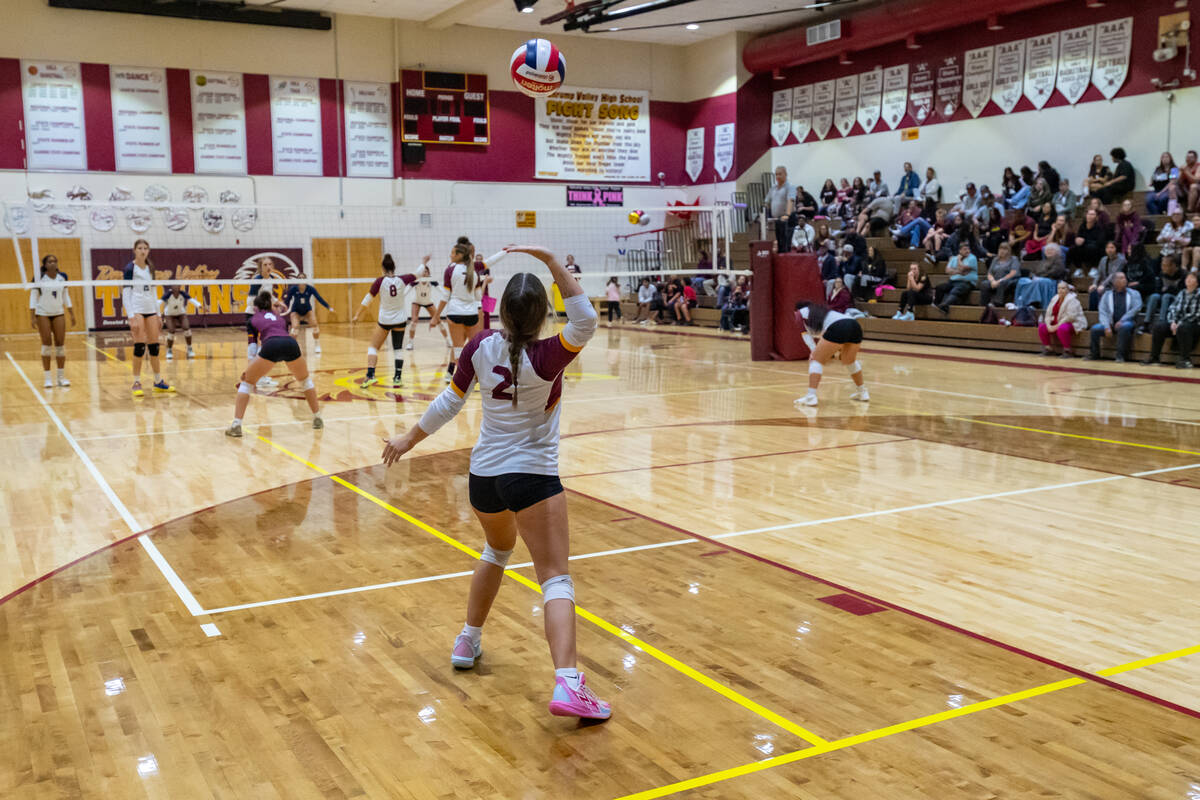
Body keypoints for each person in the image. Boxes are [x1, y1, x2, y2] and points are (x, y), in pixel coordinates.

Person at [380, 245, 611, 721]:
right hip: (532, 478)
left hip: (484, 478)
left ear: (500, 310)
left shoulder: (479, 347)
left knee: (496, 553)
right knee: (556, 579)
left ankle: (469, 638)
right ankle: (569, 682)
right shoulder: (551, 354)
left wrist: (409, 438)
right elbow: (585, 316)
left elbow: (449, 403)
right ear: (544, 314)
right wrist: (551, 262)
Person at [226, 290, 322, 437]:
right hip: (290, 343)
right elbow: (281, 330)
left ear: (255, 308)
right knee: (305, 381)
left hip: (271, 346)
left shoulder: (252, 320)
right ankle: (317, 417)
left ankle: (236, 425)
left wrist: (249, 369)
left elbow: (252, 347)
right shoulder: (280, 319)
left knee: (246, 383)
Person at [352, 254, 418, 387]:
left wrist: (357, 315)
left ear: (382, 268)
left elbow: (367, 300)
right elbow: (417, 274)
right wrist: (424, 263)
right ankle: (397, 378)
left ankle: (370, 375)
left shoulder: (379, 281)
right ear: (394, 267)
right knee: (398, 349)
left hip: (385, 320)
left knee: (373, 347)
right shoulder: (402, 279)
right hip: (400, 319)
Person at [438, 241, 497, 381]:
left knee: (477, 341)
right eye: (472, 251)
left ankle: (458, 373)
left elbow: (480, 294)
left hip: (482, 303)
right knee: (464, 342)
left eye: (475, 251)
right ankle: (454, 372)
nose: (474, 254)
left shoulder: (478, 269)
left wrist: (486, 284)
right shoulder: (468, 267)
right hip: (473, 307)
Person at [794, 301, 869, 406]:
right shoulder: (823, 312)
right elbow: (830, 334)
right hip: (855, 325)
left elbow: (806, 335)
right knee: (849, 361)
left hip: (839, 326)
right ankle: (862, 392)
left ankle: (811, 397)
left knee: (816, 360)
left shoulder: (798, 313)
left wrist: (813, 351)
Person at [122, 239, 171, 397]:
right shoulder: (130, 268)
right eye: (140, 248)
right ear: (134, 250)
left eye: (145, 248)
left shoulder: (151, 268)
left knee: (154, 347)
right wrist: (131, 316)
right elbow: (126, 293)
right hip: (137, 309)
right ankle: (136, 382)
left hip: (151, 309)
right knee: (139, 347)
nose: (143, 251)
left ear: (148, 250)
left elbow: (154, 291)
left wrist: (158, 314)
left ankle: (157, 381)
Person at [29, 254, 75, 388]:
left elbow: (66, 296)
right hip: (42, 313)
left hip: (58, 313)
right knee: (47, 344)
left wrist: (71, 313)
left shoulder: (63, 277)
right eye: (50, 262)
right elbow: (33, 297)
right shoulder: (39, 279)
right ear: (45, 265)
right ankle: (47, 378)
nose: (53, 263)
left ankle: (61, 378)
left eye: (55, 261)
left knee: (60, 344)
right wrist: (32, 316)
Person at [245, 256, 287, 389]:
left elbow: (269, 296)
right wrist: (268, 306)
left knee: (264, 345)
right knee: (253, 346)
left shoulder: (271, 279)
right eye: (265, 265)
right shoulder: (257, 280)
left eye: (270, 264)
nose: (268, 267)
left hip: (262, 315)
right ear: (260, 267)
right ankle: (255, 377)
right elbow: (250, 300)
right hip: (253, 314)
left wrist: (278, 302)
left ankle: (259, 376)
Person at [1143, 271, 1199, 368]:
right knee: (1159, 327)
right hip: (1179, 324)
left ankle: (1185, 360)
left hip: (1194, 325)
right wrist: (1173, 322)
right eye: (1187, 278)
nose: (1188, 280)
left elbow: (1195, 314)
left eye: (1192, 278)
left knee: (1184, 327)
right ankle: (1154, 357)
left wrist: (1179, 323)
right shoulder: (1182, 293)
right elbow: (1173, 309)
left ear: (1197, 282)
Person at [1086, 272, 1141, 362]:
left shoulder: (1134, 293)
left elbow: (1136, 308)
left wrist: (1122, 320)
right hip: (1111, 323)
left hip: (1128, 322)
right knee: (1095, 329)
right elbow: (1102, 312)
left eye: (1124, 278)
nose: (1124, 280)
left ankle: (1120, 356)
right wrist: (1107, 326)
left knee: (1124, 327)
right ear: (1114, 281)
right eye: (1121, 278)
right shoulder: (1107, 295)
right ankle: (1094, 354)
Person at [404, 258, 451, 351]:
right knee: (414, 321)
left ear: (428, 273)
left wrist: (449, 296)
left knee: (439, 321)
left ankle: (448, 340)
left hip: (428, 302)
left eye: (426, 271)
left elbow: (442, 291)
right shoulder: (416, 281)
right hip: (416, 302)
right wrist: (400, 296)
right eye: (423, 271)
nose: (424, 273)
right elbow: (406, 291)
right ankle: (410, 343)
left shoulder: (432, 280)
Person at [283, 278, 333, 355]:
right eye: (300, 279)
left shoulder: (310, 288)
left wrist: (328, 307)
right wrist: (282, 307)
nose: (302, 281)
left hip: (307, 311)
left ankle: (317, 345)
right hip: (296, 312)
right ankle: (292, 348)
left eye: (303, 279)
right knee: (294, 330)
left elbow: (319, 298)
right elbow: (287, 300)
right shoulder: (293, 289)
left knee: (315, 326)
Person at [1037, 280, 1087, 358]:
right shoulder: (1054, 299)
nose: (1060, 290)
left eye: (1063, 288)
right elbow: (1048, 314)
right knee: (1042, 327)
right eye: (1059, 288)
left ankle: (1068, 350)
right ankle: (1048, 349)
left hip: (1074, 323)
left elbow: (1070, 317)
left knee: (1062, 328)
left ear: (1067, 289)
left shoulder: (1072, 300)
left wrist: (1056, 326)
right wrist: (1048, 325)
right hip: (1056, 322)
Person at [1014, 243, 1068, 309]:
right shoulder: (1042, 261)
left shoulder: (1058, 261)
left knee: (1040, 281)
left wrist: (1040, 277)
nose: (1049, 251)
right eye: (1047, 250)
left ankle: (1034, 302)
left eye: (1051, 250)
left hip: (1051, 280)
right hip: (1040, 279)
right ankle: (1021, 302)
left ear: (1057, 252)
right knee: (1022, 281)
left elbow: (1055, 272)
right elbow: (1034, 271)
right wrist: (1033, 277)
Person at [1142, 254, 1185, 333]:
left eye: (1165, 265)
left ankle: (1162, 322)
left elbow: (1182, 293)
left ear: (1174, 266)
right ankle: (1146, 323)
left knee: (1166, 296)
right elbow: (1158, 290)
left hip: (1177, 301)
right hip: (1164, 297)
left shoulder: (1183, 275)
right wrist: (1168, 290)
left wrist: (1168, 289)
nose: (1162, 267)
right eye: (1162, 265)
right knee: (1154, 296)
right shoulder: (1162, 274)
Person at [159, 285, 203, 360]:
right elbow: (159, 302)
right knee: (171, 331)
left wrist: (200, 306)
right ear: (172, 288)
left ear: (180, 287)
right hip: (169, 314)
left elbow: (191, 299)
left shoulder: (182, 293)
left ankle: (189, 348)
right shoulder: (168, 294)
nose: (176, 288)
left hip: (181, 313)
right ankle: (169, 350)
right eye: (175, 286)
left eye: (178, 286)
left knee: (187, 328)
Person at [934, 242, 978, 313]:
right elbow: (947, 270)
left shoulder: (972, 258)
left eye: (968, 249)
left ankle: (945, 305)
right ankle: (936, 305)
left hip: (967, 283)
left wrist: (959, 260)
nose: (967, 251)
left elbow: (963, 268)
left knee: (957, 289)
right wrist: (958, 272)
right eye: (965, 249)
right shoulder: (953, 258)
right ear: (960, 251)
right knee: (940, 287)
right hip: (953, 281)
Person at [1066, 208, 1110, 274]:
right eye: (1089, 214)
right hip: (1084, 246)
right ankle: (1078, 268)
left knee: (1092, 248)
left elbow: (1100, 242)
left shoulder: (1099, 227)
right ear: (1086, 215)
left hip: (1096, 248)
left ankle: (1095, 267)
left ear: (1096, 217)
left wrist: (1084, 241)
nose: (1090, 216)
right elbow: (1079, 236)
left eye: (1092, 214)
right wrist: (1077, 240)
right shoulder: (1082, 226)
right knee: (1072, 249)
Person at [1088, 241, 1127, 310]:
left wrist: (1103, 285)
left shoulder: (1121, 260)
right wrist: (1094, 284)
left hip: (1114, 284)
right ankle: (1093, 312)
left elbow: (1113, 274)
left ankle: (1101, 311)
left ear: (1116, 249)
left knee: (1102, 291)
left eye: (1112, 248)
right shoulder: (1103, 259)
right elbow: (1099, 273)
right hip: (1104, 284)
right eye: (1108, 248)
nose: (1109, 250)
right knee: (1093, 291)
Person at [765, 166, 795, 254]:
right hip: (777, 219)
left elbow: (790, 201)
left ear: (785, 174)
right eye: (776, 174)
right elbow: (767, 201)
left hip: (788, 218)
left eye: (780, 174)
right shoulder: (773, 188)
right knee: (780, 243)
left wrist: (787, 215)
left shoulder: (790, 187)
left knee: (786, 243)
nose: (778, 176)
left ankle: (786, 262)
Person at [981, 242, 1020, 307]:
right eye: (1000, 249)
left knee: (1002, 283)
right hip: (995, 280)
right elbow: (990, 273)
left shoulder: (1014, 259)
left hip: (1008, 280)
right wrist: (992, 281)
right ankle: (983, 305)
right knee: (984, 284)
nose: (1002, 251)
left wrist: (1000, 280)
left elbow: (1013, 273)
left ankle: (997, 303)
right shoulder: (995, 259)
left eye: (1005, 249)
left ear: (1009, 251)